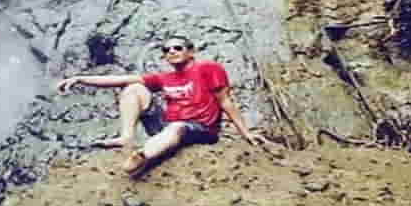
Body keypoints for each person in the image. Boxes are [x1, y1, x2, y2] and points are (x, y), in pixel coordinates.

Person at [56, 37, 270, 176]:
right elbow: (120, 79)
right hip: (168, 125)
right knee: (133, 88)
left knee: (177, 128)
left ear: (191, 52)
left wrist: (246, 133)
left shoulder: (208, 68)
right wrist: (81, 78)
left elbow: (225, 101)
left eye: (178, 47)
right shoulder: (164, 78)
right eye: (167, 49)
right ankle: (126, 137)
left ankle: (142, 157)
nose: (172, 51)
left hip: (202, 128)